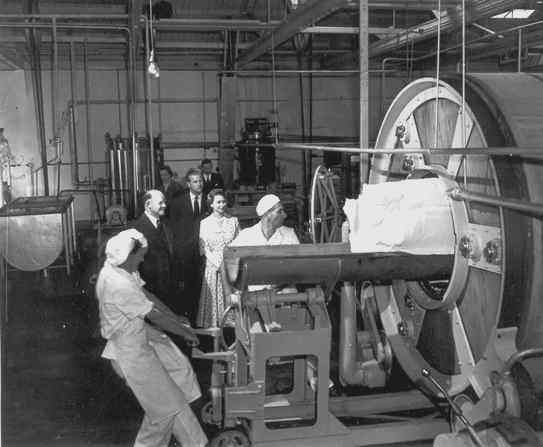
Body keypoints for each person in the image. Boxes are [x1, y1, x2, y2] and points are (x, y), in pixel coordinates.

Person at [95, 229, 208, 447]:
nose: (143, 258)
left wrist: (176, 318)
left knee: (178, 377)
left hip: (140, 336)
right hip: (128, 352)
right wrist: (187, 333)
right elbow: (153, 315)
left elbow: (148, 297)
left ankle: (197, 444)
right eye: (141, 255)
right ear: (129, 255)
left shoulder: (120, 268)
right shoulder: (117, 284)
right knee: (164, 408)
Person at [231, 195, 334, 392]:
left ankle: (312, 376)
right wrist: (234, 293)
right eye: (280, 211)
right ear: (267, 215)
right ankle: (260, 383)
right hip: (254, 300)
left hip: (286, 295)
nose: (284, 215)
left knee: (301, 332)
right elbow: (229, 262)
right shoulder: (246, 237)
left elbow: (297, 268)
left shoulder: (289, 235)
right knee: (258, 340)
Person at [168, 168, 209, 323]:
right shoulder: (177, 203)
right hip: (184, 253)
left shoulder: (210, 201)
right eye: (195, 181)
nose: (199, 184)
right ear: (188, 183)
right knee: (187, 288)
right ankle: (188, 319)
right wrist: (178, 251)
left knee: (202, 287)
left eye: (201, 181)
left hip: (204, 252)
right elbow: (173, 229)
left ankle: (202, 318)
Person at [196, 189, 239, 328]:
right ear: (211, 204)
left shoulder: (233, 221)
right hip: (213, 266)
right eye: (218, 202)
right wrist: (217, 262)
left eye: (223, 202)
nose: (221, 205)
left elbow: (239, 243)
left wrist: (229, 262)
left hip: (230, 266)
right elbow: (204, 247)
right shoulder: (205, 223)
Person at [132, 189, 176, 312]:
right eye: (161, 203)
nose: (164, 206)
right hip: (149, 289)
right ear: (148, 205)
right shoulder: (136, 229)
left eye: (165, 202)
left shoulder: (166, 224)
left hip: (168, 286)